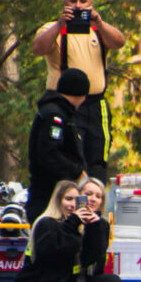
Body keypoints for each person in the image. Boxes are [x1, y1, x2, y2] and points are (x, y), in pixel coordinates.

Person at [30, 0, 124, 182]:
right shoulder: (52, 28)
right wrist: (59, 24)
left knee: (98, 158)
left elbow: (119, 42)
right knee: (70, 157)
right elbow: (38, 48)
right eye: (73, 1)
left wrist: (98, 21)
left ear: (90, 4)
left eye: (83, 1)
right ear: (65, 4)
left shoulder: (98, 30)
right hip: (65, 106)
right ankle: (69, 203)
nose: (78, 5)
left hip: (96, 105)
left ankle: (95, 203)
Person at [10, 180, 96, 282]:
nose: (72, 205)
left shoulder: (74, 227)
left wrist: (97, 226)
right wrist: (72, 224)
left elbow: (92, 258)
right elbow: (52, 253)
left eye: (76, 201)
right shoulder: (47, 223)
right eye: (67, 199)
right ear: (58, 201)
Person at [26, 68, 90, 220]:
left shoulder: (64, 114)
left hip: (60, 195)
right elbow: (49, 154)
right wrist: (76, 172)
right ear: (81, 94)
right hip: (48, 197)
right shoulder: (54, 116)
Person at [77, 179, 125, 282]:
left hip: (91, 276)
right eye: (88, 194)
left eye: (98, 196)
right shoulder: (68, 219)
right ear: (78, 195)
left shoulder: (102, 225)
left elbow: (95, 256)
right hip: (71, 278)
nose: (93, 199)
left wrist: (95, 227)